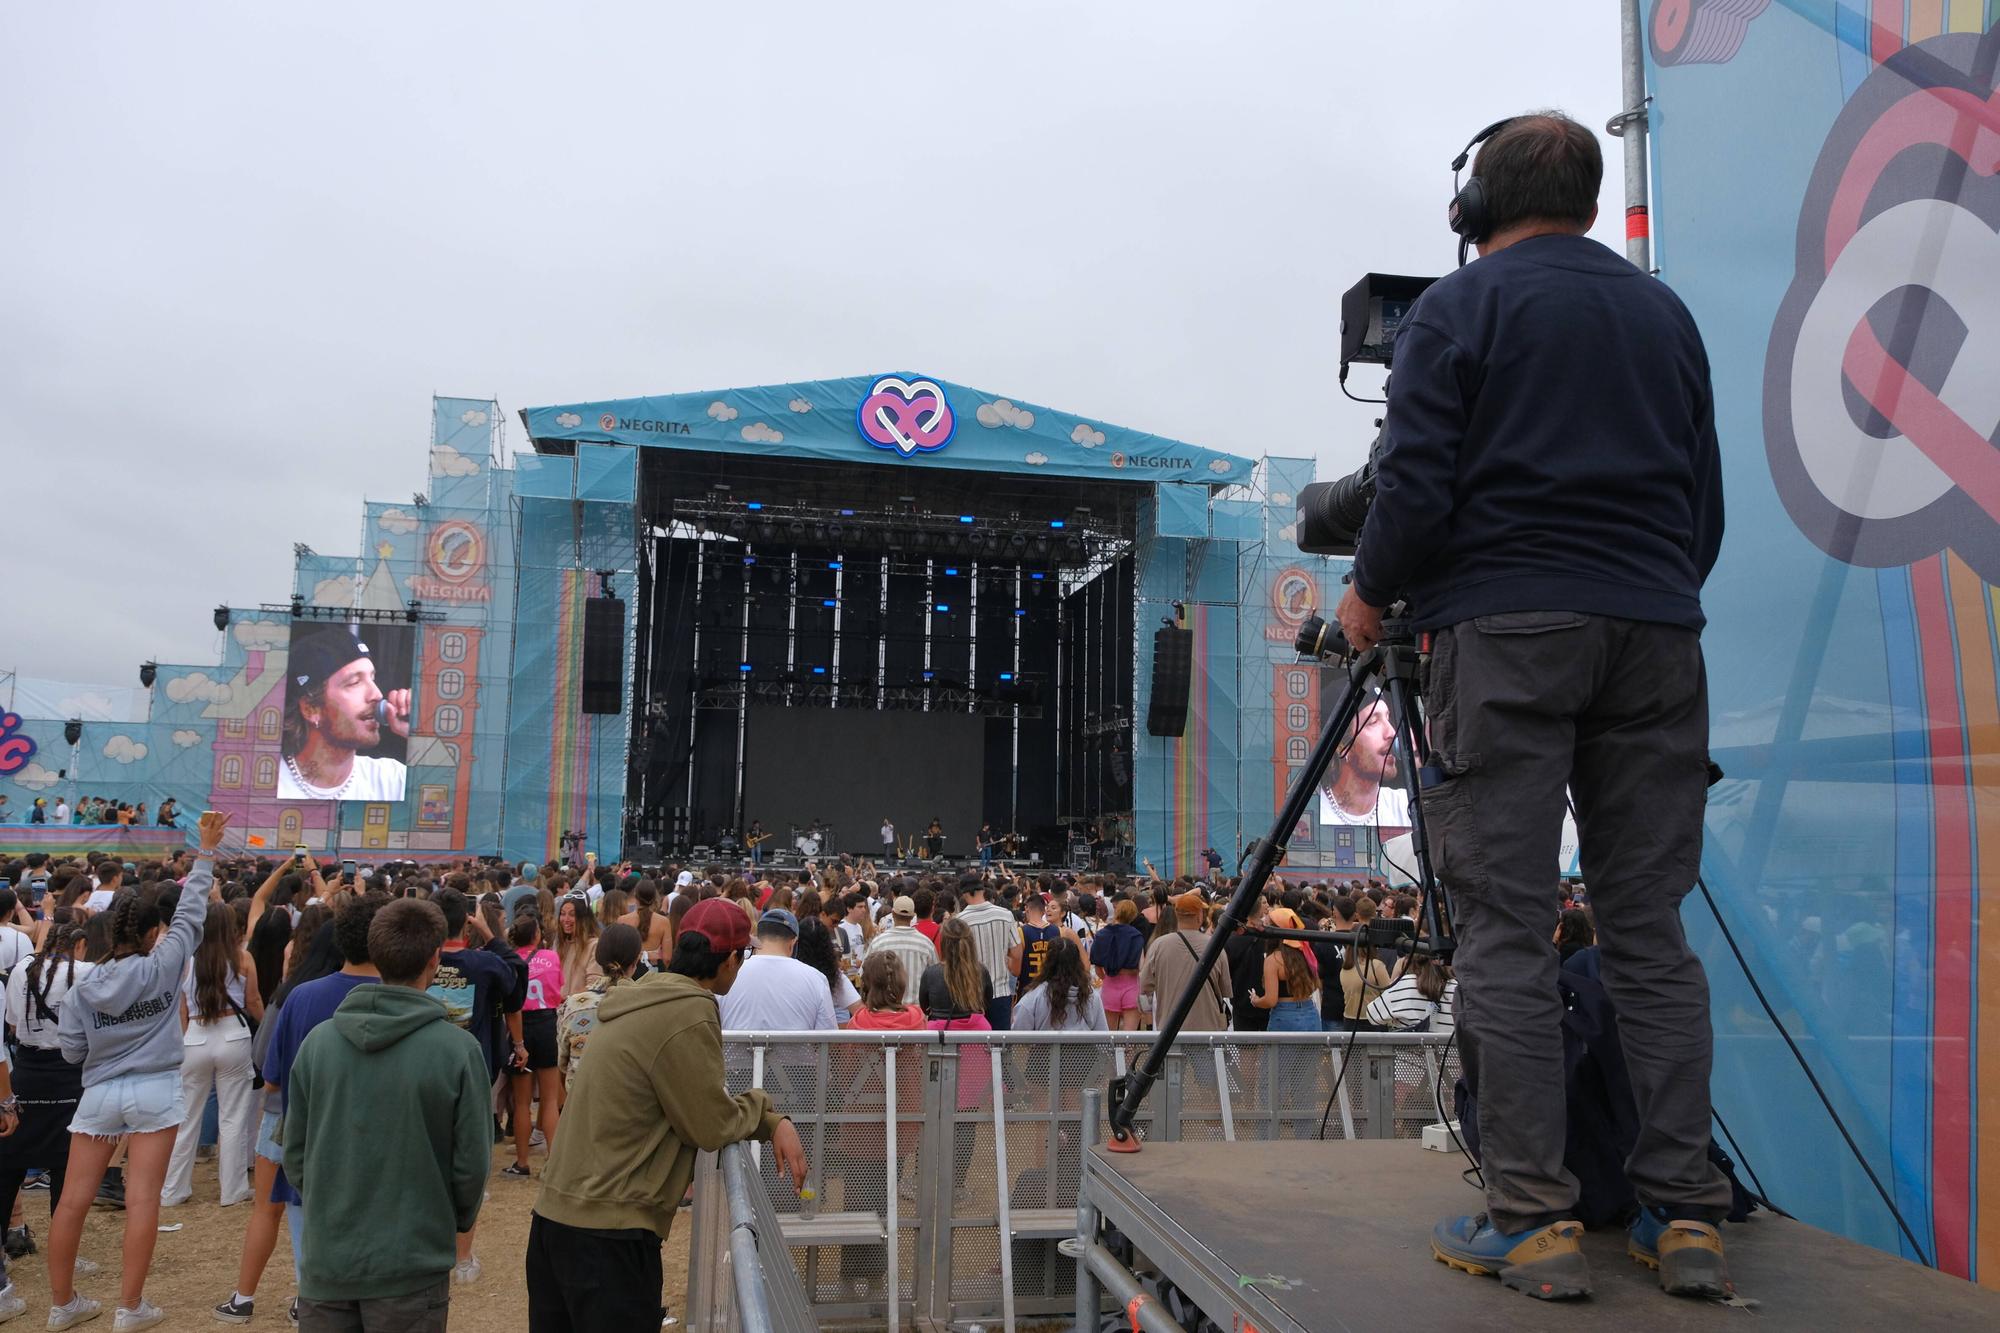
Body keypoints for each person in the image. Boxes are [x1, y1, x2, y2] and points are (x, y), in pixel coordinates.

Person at [1334, 113, 1729, 1298]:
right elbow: (1701, 504)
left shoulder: (1459, 309)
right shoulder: (1665, 316)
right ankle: (1685, 1213)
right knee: (1647, 929)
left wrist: (1366, 594)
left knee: (1503, 926)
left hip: (1505, 634)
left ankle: (1534, 1218)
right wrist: (1642, 594)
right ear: (1589, 201)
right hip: (1657, 632)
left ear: (1471, 209)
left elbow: (1411, 485)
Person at [528, 898, 807, 1332]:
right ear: (731, 959)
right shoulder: (690, 1009)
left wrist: (767, 1121)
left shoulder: (643, 997)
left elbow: (693, 1099)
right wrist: (768, 1112)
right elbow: (709, 1124)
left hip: (555, 1220)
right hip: (609, 1234)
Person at [48, 809, 226, 1331]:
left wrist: (109, 1040)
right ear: (152, 932)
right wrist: (206, 852)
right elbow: (193, 911)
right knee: (142, 1198)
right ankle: (130, 1308)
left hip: (100, 1092)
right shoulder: (164, 962)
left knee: (73, 1199)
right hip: (156, 1089)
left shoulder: (83, 987)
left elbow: (72, 1052)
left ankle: (63, 1305)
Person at [283, 897, 490, 1331]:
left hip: (329, 1255)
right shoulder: (457, 1050)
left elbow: (295, 1151)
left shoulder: (318, 1044)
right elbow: (471, 1164)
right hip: (410, 1259)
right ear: (436, 958)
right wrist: (445, 1220)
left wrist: (331, 1203)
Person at [214, 891, 384, 1326]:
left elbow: (267, 1069)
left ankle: (245, 1297)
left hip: (284, 1119)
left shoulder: (297, 996)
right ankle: (310, 1297)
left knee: (274, 1211)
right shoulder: (390, 996)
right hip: (357, 1123)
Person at [162, 900, 263, 1207]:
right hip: (233, 1036)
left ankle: (173, 1189)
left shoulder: (186, 960)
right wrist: (263, 1026)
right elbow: (254, 1000)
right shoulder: (242, 958)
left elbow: (180, 1008)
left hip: (195, 1037)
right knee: (233, 1118)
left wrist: (183, 1041)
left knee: (187, 1117)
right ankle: (233, 1190)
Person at [0, 923, 90, 1267]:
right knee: (67, 1165)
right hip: (68, 1074)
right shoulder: (84, 971)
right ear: (79, 944)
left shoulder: (21, 968)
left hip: (26, 1071)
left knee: (10, 1164)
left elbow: (10, 1022)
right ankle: (66, 1253)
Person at [276, 623, 411, 802]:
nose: (377, 694)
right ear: (311, 709)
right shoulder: (267, 783)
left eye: (372, 678)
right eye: (355, 682)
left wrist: (422, 736)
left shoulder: (393, 781)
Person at [504, 913, 565, 1178]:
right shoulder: (551, 957)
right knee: (550, 1100)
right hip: (547, 1024)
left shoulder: (508, 962)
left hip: (520, 1027)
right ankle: (554, 1161)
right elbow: (558, 990)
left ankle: (522, 1162)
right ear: (537, 935)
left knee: (521, 1102)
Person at [716, 910, 839, 1032]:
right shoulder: (816, 978)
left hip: (733, 1051)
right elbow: (828, 1039)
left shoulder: (729, 971)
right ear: (793, 943)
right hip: (796, 1052)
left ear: (757, 939)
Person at [555, 923, 641, 1085]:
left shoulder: (573, 1005)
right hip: (627, 1103)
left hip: (580, 1101)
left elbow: (562, 1065)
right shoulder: (644, 1006)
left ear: (599, 957)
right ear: (636, 960)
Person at [1317, 693, 1412, 836]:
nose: (1392, 732)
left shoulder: (1407, 806)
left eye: (1387, 718)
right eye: (1373, 722)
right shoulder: (1315, 808)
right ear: (1342, 745)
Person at [1137, 890, 1231, 1033]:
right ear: (1199, 917)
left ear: (1176, 915)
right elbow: (1225, 989)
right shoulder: (1215, 946)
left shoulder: (1159, 945)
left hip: (1169, 1030)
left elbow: (1144, 985)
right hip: (1208, 1030)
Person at [952, 876, 1021, 1030]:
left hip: (971, 993)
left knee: (973, 1048)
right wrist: (1012, 969)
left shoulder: (960, 921)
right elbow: (1017, 953)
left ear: (964, 894)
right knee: (1000, 1046)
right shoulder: (1005, 914)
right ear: (983, 890)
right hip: (1001, 991)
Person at [1250, 907, 1321, 1032]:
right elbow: (1315, 984)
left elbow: (1270, 1000)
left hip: (1284, 1017)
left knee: (1278, 1052)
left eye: (1267, 926)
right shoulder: (1305, 951)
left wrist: (1256, 1001)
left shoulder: (1273, 960)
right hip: (1310, 1012)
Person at [1011, 938, 1105, 1032]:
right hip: (1085, 1046)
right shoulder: (1092, 996)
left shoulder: (1033, 998)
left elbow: (1018, 1039)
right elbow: (1103, 1037)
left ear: (1047, 963)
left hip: (1044, 1046)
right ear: (1077, 963)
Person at [863, 896, 937, 1005]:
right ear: (913, 916)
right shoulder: (925, 943)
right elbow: (935, 976)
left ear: (893, 914)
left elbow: (865, 973)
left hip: (886, 1010)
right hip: (917, 1011)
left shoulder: (878, 942)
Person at [1090, 899, 1148, 1031]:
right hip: (1132, 985)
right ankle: (1128, 1052)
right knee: (1130, 1036)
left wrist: (1106, 978)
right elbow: (1142, 967)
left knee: (1108, 1035)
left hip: (1110, 983)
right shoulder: (1136, 936)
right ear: (1133, 915)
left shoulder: (1102, 934)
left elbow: (1097, 967)